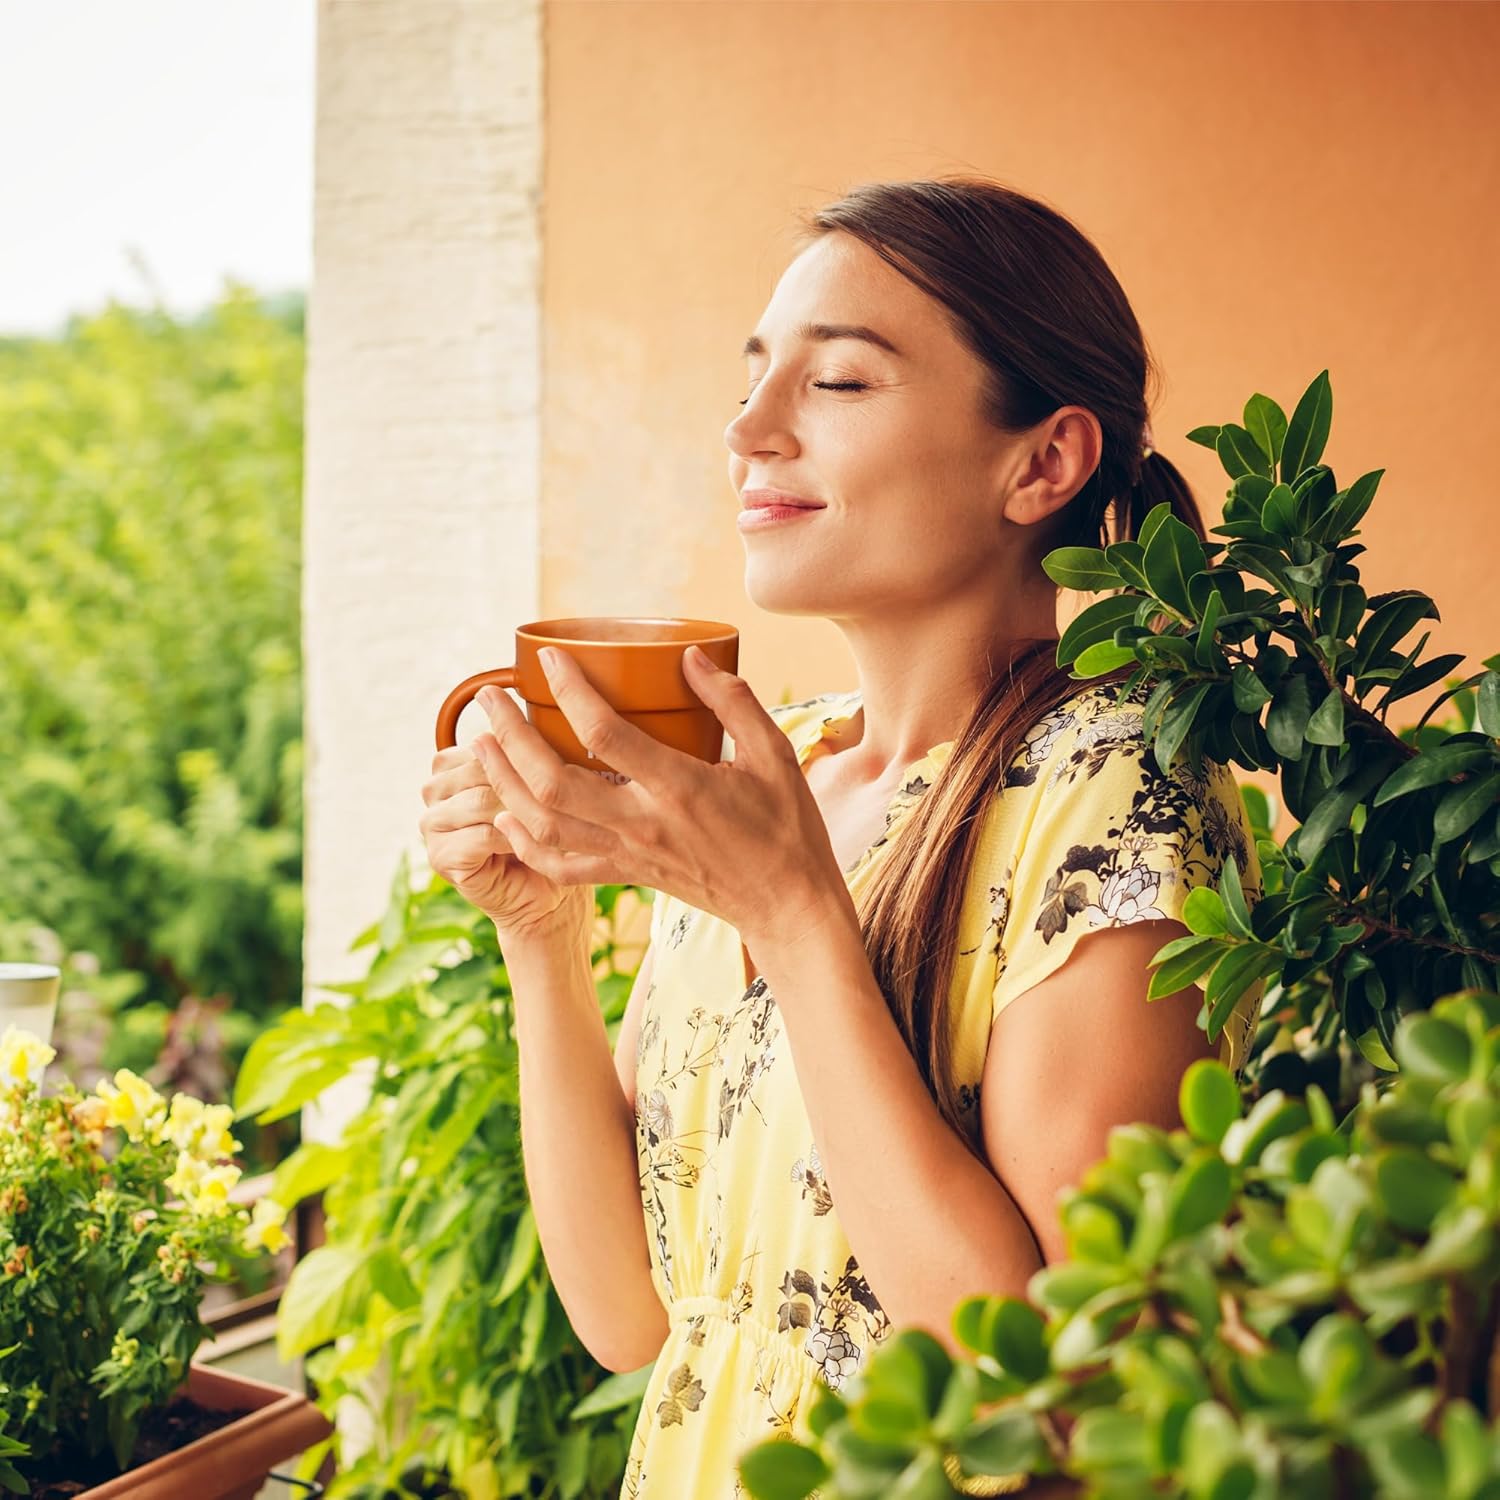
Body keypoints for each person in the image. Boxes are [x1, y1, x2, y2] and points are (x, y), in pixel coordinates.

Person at [418, 176, 1263, 1499]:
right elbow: (634, 1320)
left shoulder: (1124, 803)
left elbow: (1042, 1381)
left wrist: (798, 921)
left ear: (1042, 462)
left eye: (840, 384)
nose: (749, 431)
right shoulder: (770, 775)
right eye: (757, 379)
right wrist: (540, 938)